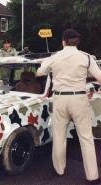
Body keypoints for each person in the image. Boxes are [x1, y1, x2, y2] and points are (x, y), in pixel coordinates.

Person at [37, 29, 101, 184]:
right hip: (79, 98)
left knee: (59, 136)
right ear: (77, 42)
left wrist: (47, 65)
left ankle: (59, 170)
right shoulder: (86, 57)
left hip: (59, 99)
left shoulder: (55, 56)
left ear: (63, 41)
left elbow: (39, 73)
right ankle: (92, 176)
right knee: (86, 137)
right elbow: (100, 78)